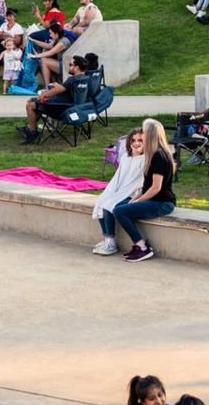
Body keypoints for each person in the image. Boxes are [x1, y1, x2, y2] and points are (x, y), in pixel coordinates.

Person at [95, 117, 176, 263]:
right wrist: (137, 196)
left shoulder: (159, 156)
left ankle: (142, 247)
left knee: (120, 211)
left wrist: (137, 200)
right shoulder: (153, 154)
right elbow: (146, 185)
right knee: (114, 206)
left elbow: (156, 188)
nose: (142, 134)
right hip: (152, 199)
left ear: (150, 134)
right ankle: (111, 240)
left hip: (162, 202)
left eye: (144, 132)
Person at [19, 53, 97, 142]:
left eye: (71, 65)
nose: (69, 67)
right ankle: (30, 127)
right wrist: (58, 87)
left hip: (64, 110)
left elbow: (55, 91)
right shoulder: (86, 78)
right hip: (77, 108)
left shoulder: (72, 79)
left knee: (31, 104)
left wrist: (38, 98)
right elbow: (64, 89)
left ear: (77, 68)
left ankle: (32, 133)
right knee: (41, 102)